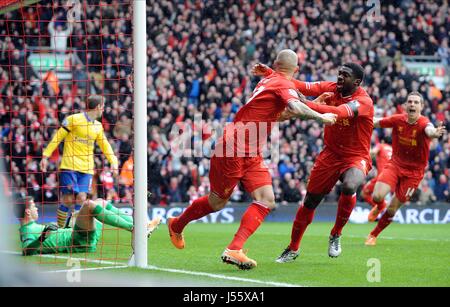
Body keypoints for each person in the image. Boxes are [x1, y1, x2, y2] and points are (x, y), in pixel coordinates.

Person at [167, 49, 337, 270]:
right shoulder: (281, 84)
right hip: (233, 147)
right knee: (217, 202)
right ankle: (177, 224)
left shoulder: (270, 80)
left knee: (266, 199)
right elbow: (295, 106)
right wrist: (321, 116)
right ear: (296, 70)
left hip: (251, 150)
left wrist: (315, 104)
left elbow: (280, 114)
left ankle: (234, 249)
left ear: (276, 65)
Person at [253, 61, 374, 261]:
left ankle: (336, 233)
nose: (340, 77)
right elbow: (301, 85)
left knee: (350, 185)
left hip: (356, 156)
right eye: (340, 72)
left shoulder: (363, 102)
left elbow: (338, 112)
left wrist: (304, 104)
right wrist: (270, 73)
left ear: (357, 82)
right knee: (309, 202)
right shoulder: (330, 89)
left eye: (345, 75)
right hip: (330, 155)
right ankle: (293, 248)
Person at [365, 92, 446, 246]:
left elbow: (429, 129)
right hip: (395, 165)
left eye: (416, 102)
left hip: (414, 174)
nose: (412, 105)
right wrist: (360, 118)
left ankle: (373, 235)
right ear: (405, 105)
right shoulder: (398, 119)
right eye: (410, 102)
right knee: (376, 196)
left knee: (393, 207)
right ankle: (378, 206)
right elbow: (376, 122)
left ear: (421, 106)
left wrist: (434, 133)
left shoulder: (424, 123)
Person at [40, 95, 119, 228]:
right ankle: (60, 229)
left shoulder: (98, 126)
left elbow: (105, 145)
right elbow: (58, 137)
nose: (103, 110)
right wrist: (45, 156)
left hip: (87, 169)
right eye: (103, 107)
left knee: (82, 199)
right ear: (98, 107)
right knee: (68, 199)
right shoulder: (73, 119)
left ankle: (72, 230)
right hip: (69, 166)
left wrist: (113, 161)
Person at [15, 195, 161, 256]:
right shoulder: (27, 231)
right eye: (34, 207)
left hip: (76, 236)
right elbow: (26, 251)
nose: (36, 209)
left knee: (100, 201)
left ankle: (142, 225)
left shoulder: (31, 226)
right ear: (27, 212)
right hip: (78, 242)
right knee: (88, 205)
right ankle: (135, 229)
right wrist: (43, 236)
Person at [360, 142, 393, 222]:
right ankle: (385, 212)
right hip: (393, 176)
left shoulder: (380, 145)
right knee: (383, 196)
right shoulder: (393, 149)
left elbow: (373, 152)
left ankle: (381, 207)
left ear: (382, 141)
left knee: (364, 193)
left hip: (382, 176)